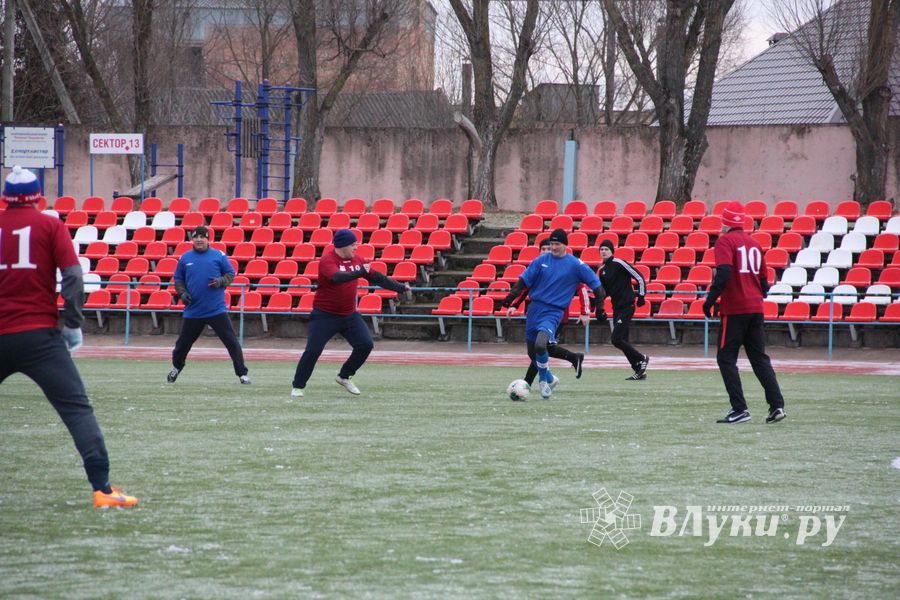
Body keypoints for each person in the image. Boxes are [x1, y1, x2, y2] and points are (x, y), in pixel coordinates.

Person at [0, 166, 138, 508]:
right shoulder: (49, 225)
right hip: (39, 337)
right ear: (36, 198)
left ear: (4, 198)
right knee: (77, 410)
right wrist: (73, 323)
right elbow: (74, 277)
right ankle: (103, 489)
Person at [291, 229, 409, 397]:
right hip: (325, 315)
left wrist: (400, 287)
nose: (356, 247)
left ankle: (344, 376)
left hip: (348, 314)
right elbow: (338, 277)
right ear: (342, 245)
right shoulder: (327, 260)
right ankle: (298, 386)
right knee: (313, 350)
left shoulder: (358, 259)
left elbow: (376, 277)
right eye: (353, 244)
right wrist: (361, 272)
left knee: (366, 345)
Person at [702, 201, 786, 424]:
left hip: (735, 308)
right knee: (759, 358)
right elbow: (764, 281)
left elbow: (724, 272)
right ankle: (776, 405)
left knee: (726, 358)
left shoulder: (725, 241)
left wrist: (710, 300)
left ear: (726, 222)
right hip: (755, 307)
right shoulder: (754, 243)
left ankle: (739, 408)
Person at [502, 228, 603, 399]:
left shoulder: (576, 265)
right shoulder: (540, 261)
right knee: (532, 352)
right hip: (534, 310)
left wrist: (598, 308)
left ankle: (543, 382)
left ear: (565, 245)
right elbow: (524, 282)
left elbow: (597, 287)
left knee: (541, 345)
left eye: (557, 244)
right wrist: (510, 298)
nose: (553, 247)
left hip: (554, 312)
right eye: (551, 244)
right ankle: (550, 377)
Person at [168, 225, 250, 384]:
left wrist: (221, 281)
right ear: (192, 239)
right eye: (196, 237)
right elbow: (178, 280)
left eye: (202, 237)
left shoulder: (218, 255)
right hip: (193, 311)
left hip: (216, 309)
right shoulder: (185, 258)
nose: (199, 240)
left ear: (208, 239)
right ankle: (176, 368)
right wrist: (182, 293)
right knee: (182, 345)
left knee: (231, 342)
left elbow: (230, 274)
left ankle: (242, 374)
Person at [508, 239, 588, 387]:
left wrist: (585, 312)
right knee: (535, 351)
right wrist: (514, 304)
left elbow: (582, 288)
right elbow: (524, 287)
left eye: (548, 248)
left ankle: (530, 382)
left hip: (556, 315)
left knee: (541, 347)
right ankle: (569, 362)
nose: (546, 251)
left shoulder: (567, 267)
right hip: (537, 313)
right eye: (543, 249)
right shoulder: (539, 266)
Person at [596, 239, 650, 380]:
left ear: (612, 251)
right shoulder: (601, 271)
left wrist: (641, 295)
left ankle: (642, 358)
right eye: (601, 249)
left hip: (627, 305)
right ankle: (638, 370)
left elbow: (638, 276)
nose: (603, 251)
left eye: (606, 249)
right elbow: (604, 292)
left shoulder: (619, 263)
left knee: (616, 339)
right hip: (616, 308)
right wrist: (599, 308)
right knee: (623, 340)